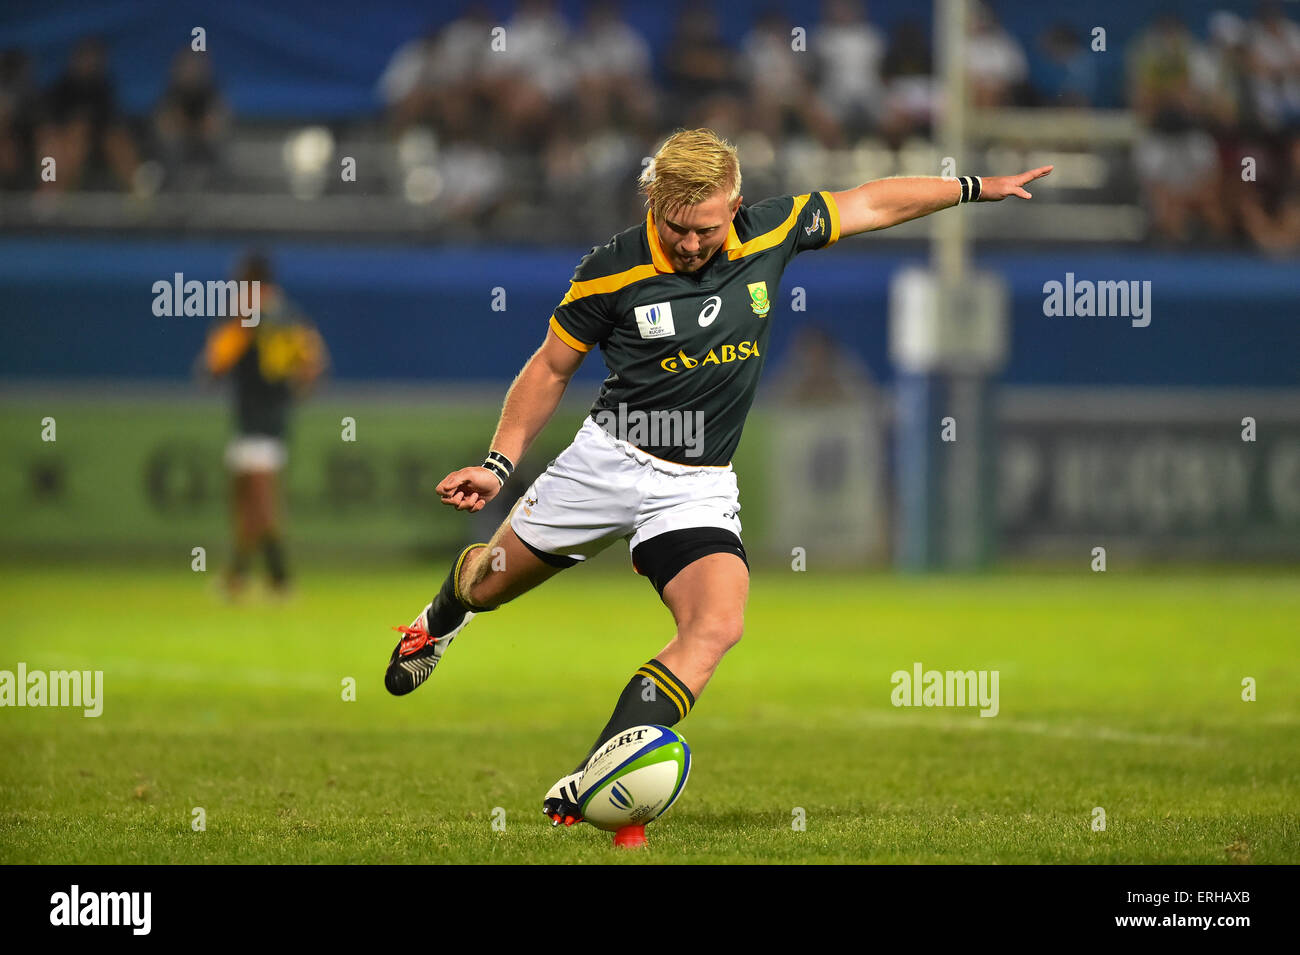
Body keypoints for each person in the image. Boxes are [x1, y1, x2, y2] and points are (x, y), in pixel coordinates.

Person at [383, 128, 1050, 826]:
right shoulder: (610, 269)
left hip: (696, 483)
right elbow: (552, 367)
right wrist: (498, 464)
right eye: (679, 227)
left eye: (708, 227)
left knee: (718, 623)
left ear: (735, 203)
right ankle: (441, 617)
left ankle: (596, 776)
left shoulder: (771, 230)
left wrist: (977, 187)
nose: (695, 243)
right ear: (654, 200)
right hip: (606, 462)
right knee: (486, 583)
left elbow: (873, 202)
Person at [198, 252, 327, 598]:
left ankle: (279, 578)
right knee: (245, 498)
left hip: (257, 420)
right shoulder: (289, 315)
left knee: (259, 501)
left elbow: (213, 365)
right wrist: (292, 392)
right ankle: (238, 576)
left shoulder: (247, 314)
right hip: (266, 417)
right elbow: (314, 362)